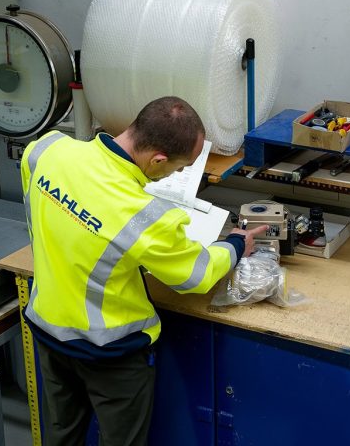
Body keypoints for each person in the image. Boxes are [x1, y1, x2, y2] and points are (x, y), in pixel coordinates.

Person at [20, 96, 268, 446]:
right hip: (108, 354)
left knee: (61, 436)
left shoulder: (46, 150)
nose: (177, 175)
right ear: (158, 159)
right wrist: (237, 244)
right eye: (179, 169)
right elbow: (194, 276)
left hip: (47, 330)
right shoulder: (146, 217)